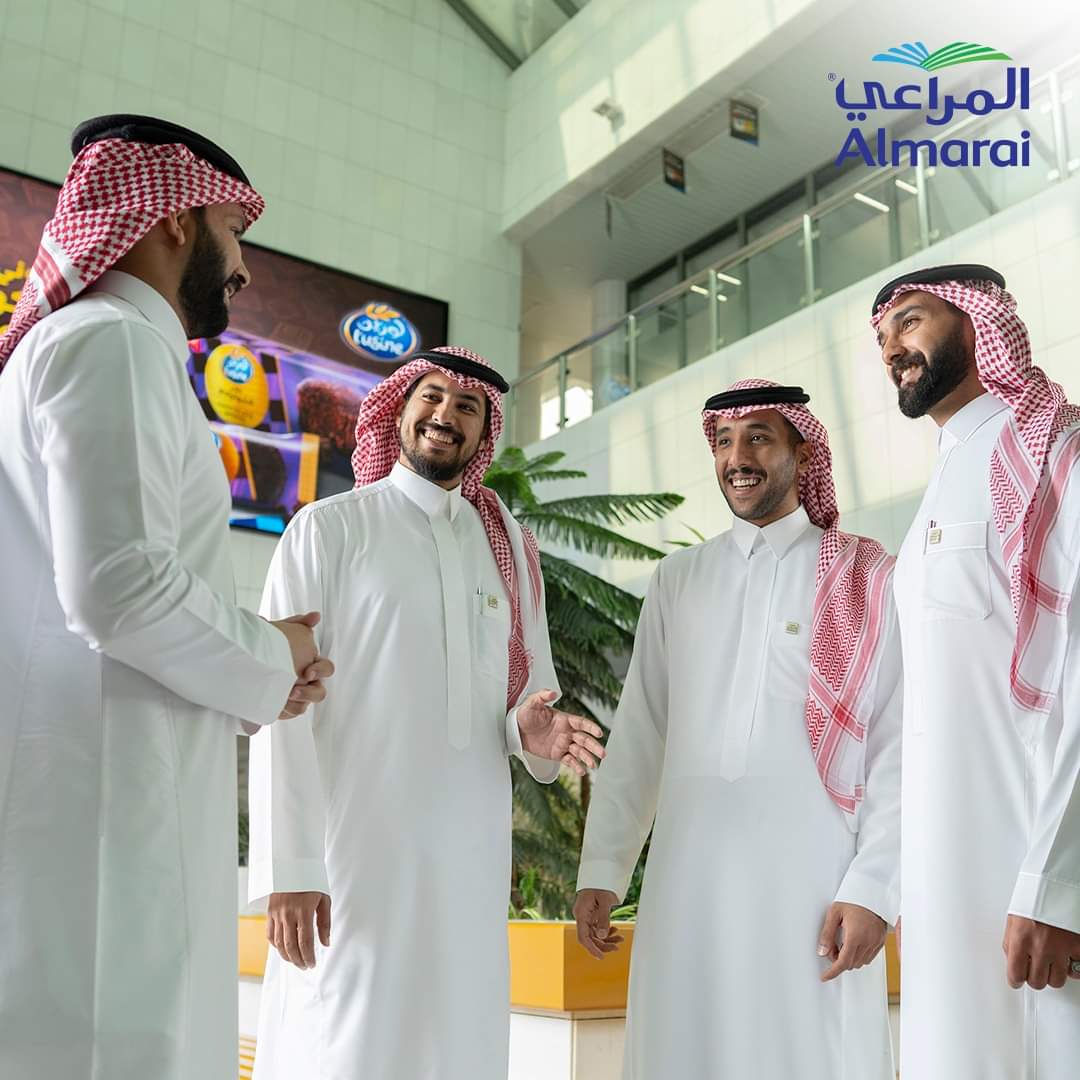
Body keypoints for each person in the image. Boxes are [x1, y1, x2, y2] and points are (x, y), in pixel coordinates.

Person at [0, 115, 334, 1080]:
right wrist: (273, 655)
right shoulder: (111, 343)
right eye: (237, 234)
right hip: (103, 801)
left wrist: (260, 670)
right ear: (178, 220)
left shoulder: (92, 348)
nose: (244, 268)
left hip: (107, 778)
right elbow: (117, 586)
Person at [247, 346, 605, 1080]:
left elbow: (524, 707)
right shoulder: (330, 529)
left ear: (483, 434)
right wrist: (289, 867)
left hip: (467, 863)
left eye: (467, 407)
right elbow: (277, 701)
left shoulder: (505, 550)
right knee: (343, 1039)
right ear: (400, 411)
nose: (447, 415)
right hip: (351, 857)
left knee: (458, 1041)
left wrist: (529, 732)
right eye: (432, 398)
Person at [574, 379, 902, 1080]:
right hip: (688, 875)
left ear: (803, 452)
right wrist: (603, 868)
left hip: (813, 879)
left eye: (758, 436)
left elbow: (897, 743)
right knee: (682, 1050)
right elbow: (640, 734)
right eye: (724, 441)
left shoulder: (864, 574)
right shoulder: (678, 578)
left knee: (810, 1054)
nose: (737, 456)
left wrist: (875, 886)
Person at [872, 263, 1080, 1079]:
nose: (892, 345)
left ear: (977, 323)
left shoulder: (1055, 454)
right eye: (882, 335)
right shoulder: (945, 479)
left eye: (912, 320)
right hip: (944, 886)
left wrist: (1054, 885)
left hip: (1028, 885)